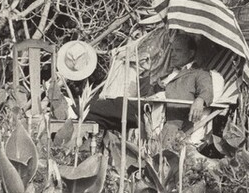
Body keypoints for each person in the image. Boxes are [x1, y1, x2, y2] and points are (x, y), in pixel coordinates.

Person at [82, 32, 213, 136]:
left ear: (191, 53)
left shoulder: (199, 73)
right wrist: (146, 72)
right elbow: (145, 94)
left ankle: (76, 107)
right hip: (148, 110)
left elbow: (207, 89)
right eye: (172, 50)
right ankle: (75, 113)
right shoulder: (169, 73)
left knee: (117, 104)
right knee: (104, 119)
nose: (172, 54)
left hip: (162, 114)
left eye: (177, 51)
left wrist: (200, 100)